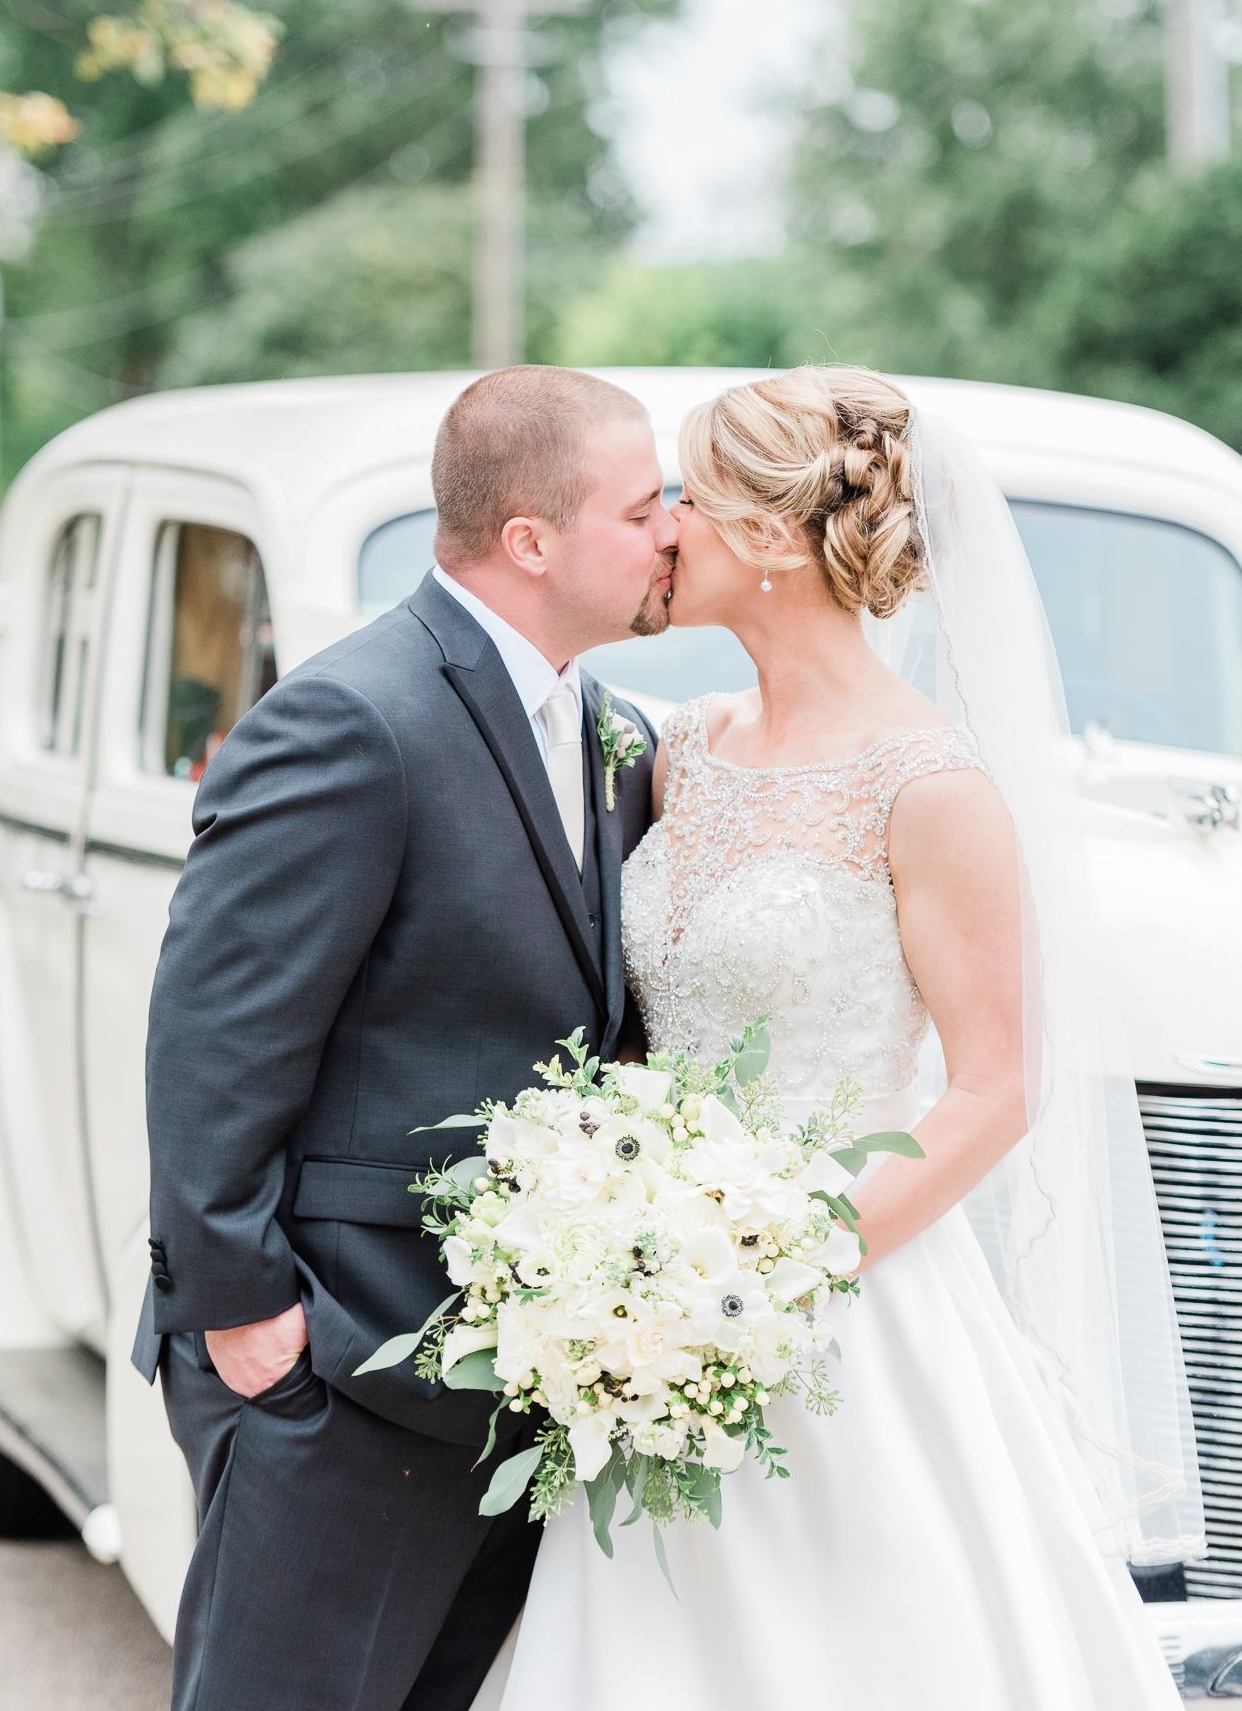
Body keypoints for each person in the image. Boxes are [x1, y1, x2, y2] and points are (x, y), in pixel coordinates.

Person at [480, 365, 1192, 1711]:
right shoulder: (679, 748)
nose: (664, 525)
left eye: (684, 493)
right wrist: (624, 1257)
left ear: (762, 539)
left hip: (847, 1305)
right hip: (644, 1302)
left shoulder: (925, 786)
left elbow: (996, 1088)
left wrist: (771, 1269)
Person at [131, 364, 678, 1711]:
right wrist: (249, 1314)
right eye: (643, 505)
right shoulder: (348, 717)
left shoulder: (607, 731)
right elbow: (216, 1037)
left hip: (499, 1380)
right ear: (530, 540)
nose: (673, 528)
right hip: (337, 1364)